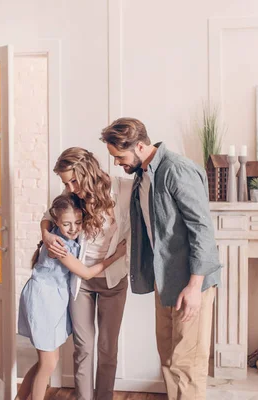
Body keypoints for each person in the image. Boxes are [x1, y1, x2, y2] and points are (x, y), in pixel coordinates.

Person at [100, 117, 223, 400]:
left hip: (191, 283)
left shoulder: (177, 170)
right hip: (164, 280)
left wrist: (194, 287)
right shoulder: (143, 175)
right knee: (168, 359)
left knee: (187, 364)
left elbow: (202, 230)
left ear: (140, 146)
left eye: (119, 156)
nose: (117, 163)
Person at [40, 147, 133, 400]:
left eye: (73, 180)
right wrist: (46, 234)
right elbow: (49, 216)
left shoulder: (125, 190)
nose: (70, 188)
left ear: (88, 171)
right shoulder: (71, 195)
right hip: (82, 280)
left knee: (107, 349)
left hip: (114, 280)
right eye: (66, 182)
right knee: (83, 349)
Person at [17, 193, 127, 400]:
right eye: (66, 224)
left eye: (78, 222)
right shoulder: (59, 244)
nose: (73, 228)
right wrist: (116, 257)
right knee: (48, 363)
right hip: (43, 301)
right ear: (56, 222)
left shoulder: (64, 236)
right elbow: (85, 273)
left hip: (53, 300)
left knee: (45, 361)